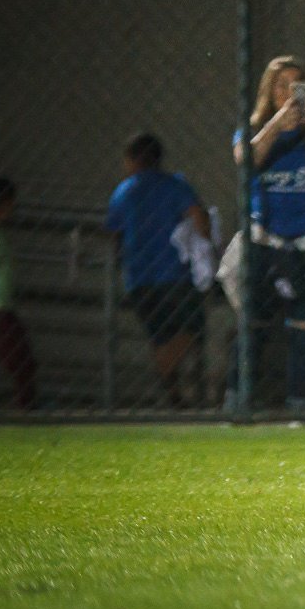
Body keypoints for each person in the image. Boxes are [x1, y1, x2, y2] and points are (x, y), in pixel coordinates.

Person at [233, 57, 305, 411]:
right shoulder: (255, 126)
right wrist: (277, 123)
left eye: (297, 84)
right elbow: (245, 160)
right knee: (253, 324)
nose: (288, 92)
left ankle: (300, 403)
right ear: (270, 90)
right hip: (267, 240)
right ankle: (237, 402)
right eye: (282, 85)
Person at [106, 134, 211, 407]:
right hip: (173, 274)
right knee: (192, 327)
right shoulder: (174, 185)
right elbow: (198, 216)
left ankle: (173, 393)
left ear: (133, 159)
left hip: (139, 278)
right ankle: (171, 377)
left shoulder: (124, 191)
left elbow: (115, 234)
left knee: (160, 335)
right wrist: (207, 246)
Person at [0, 179, 40, 412]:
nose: (12, 209)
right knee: (21, 360)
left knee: (21, 358)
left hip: (3, 308)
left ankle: (27, 405)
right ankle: (27, 408)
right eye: (10, 204)